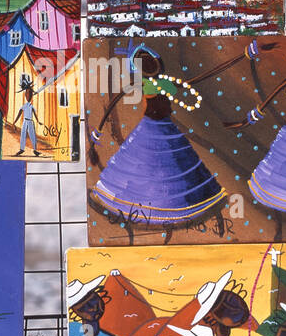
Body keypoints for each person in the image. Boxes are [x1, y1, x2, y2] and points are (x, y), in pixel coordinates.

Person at [88, 44, 226, 242]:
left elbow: (118, 100)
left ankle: (164, 209)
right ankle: (164, 207)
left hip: (157, 126)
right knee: (161, 167)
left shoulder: (148, 84)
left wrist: (97, 134)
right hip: (157, 126)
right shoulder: (160, 84)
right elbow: (176, 89)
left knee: (161, 166)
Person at [16, 86, 41, 157]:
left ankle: (35, 150)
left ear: (32, 95)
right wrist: (15, 122)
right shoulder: (24, 106)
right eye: (27, 93)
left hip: (30, 122)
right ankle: (21, 149)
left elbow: (35, 114)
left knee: (33, 135)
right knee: (23, 134)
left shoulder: (32, 106)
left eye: (30, 94)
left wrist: (38, 121)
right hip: (25, 121)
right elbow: (19, 113)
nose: (28, 95)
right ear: (25, 95)